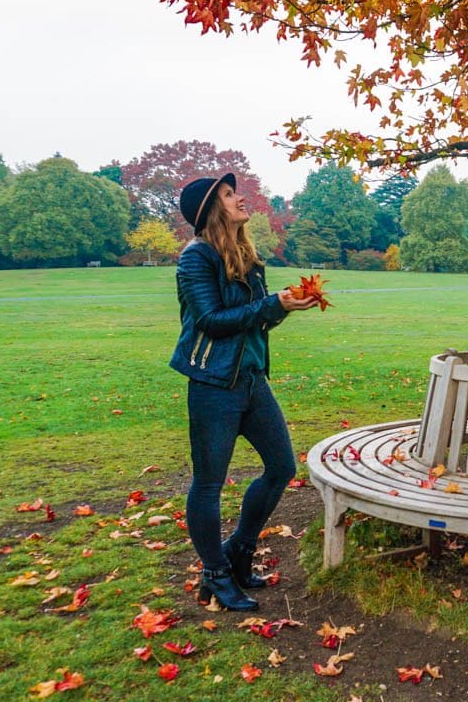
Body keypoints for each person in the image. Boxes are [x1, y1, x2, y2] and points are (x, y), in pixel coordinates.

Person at [169, 173, 317, 611]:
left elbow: (259, 319)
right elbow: (212, 321)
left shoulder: (247, 257)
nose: (240, 199)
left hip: (252, 380)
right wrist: (272, 305)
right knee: (209, 483)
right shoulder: (196, 258)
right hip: (214, 384)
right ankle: (214, 574)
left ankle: (238, 551)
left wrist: (285, 306)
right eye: (229, 195)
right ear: (212, 210)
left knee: (281, 467)